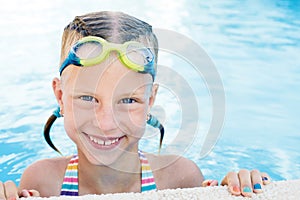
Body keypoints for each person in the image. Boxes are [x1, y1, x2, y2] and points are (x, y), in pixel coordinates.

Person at [0, 11, 270, 199]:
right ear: (60, 96)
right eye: (87, 98)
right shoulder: (42, 181)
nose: (106, 123)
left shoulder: (178, 178)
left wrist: (236, 186)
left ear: (150, 101)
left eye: (129, 100)